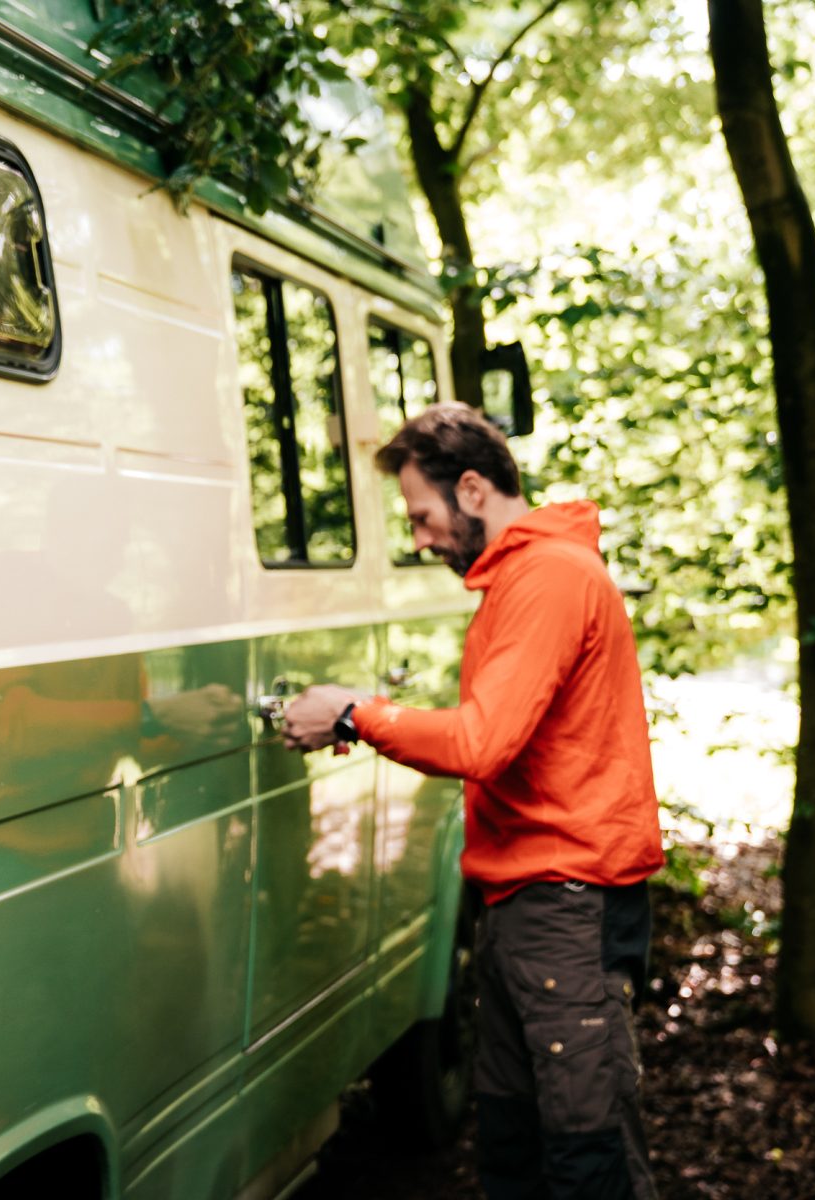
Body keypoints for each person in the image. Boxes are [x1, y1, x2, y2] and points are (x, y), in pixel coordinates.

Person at [282, 402, 663, 1200]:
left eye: (423, 515)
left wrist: (356, 713)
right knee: (514, 1153)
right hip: (528, 907)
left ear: (473, 488)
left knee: (588, 1163)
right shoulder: (523, 579)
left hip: (568, 907)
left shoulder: (550, 577)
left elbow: (479, 742)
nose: (420, 538)